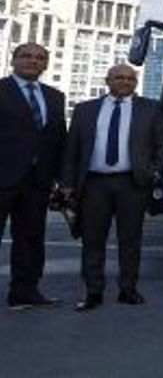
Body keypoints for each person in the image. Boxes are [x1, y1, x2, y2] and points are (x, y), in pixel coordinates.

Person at [62, 64, 163, 311]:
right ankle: (93, 291)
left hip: (133, 183)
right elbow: (72, 148)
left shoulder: (151, 108)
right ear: (107, 80)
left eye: (131, 78)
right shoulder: (85, 110)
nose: (125, 81)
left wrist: (155, 171)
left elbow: (162, 144)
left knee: (130, 239)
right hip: (94, 184)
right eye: (119, 77)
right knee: (92, 240)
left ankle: (128, 289)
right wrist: (67, 183)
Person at [1, 43, 67, 309]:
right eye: (26, 56)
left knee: (30, 238)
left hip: (38, 181)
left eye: (40, 57)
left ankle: (24, 291)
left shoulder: (55, 97)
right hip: (2, 177)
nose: (33, 61)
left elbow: (59, 138)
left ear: (46, 64)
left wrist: (62, 178)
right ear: (13, 60)